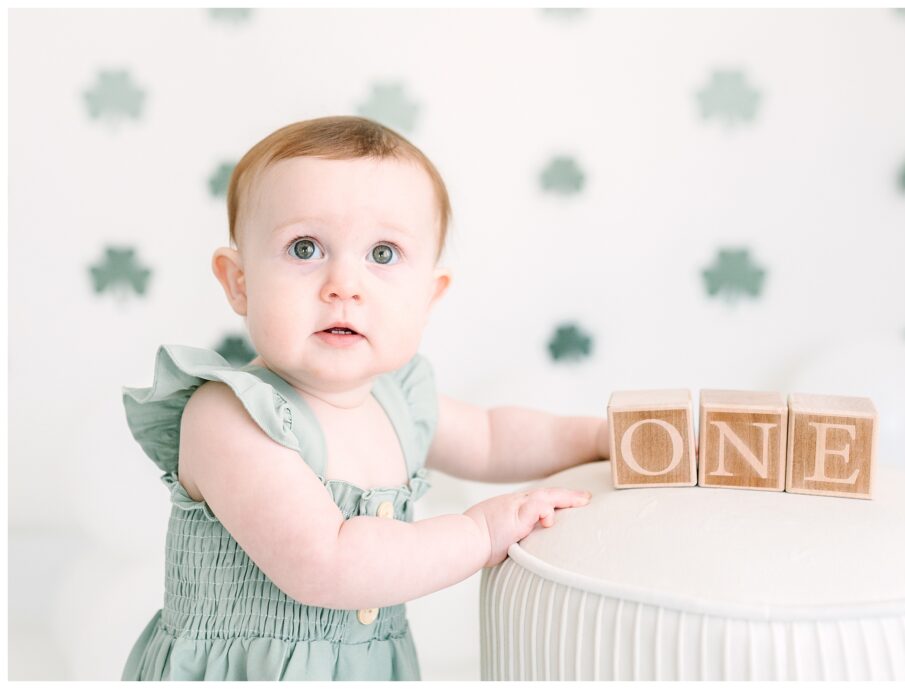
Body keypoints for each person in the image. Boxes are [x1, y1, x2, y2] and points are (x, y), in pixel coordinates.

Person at [120, 115, 606, 680]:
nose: (344, 286)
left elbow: (494, 438)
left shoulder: (398, 400)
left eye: (383, 254)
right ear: (239, 282)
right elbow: (327, 562)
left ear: (428, 297)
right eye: (305, 248)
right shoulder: (231, 418)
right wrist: (479, 534)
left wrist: (598, 438)